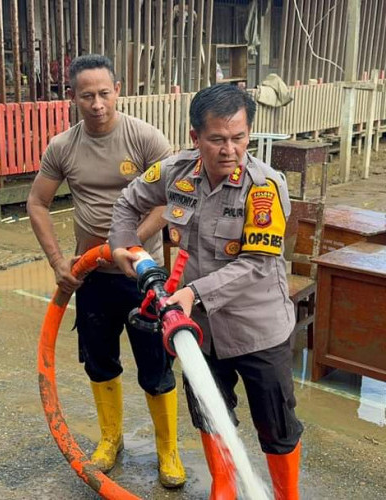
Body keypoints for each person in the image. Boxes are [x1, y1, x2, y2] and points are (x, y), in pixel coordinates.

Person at [110, 84, 303, 499]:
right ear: (195, 137)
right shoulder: (175, 171)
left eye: (239, 137)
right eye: (217, 139)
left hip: (257, 328)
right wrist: (124, 247)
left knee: (277, 424)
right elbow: (128, 202)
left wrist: (194, 293)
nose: (229, 149)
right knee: (210, 415)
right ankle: (223, 490)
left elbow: (257, 264)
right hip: (197, 330)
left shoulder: (264, 187)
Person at [26, 54, 185, 488]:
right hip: (91, 276)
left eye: (103, 93)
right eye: (86, 96)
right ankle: (109, 439)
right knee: (100, 363)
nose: (97, 104)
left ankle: (167, 450)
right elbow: (36, 203)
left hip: (143, 275)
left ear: (118, 90)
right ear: (72, 97)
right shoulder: (63, 146)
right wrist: (60, 263)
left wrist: (129, 244)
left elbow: (173, 198)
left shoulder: (145, 138)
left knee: (155, 367)